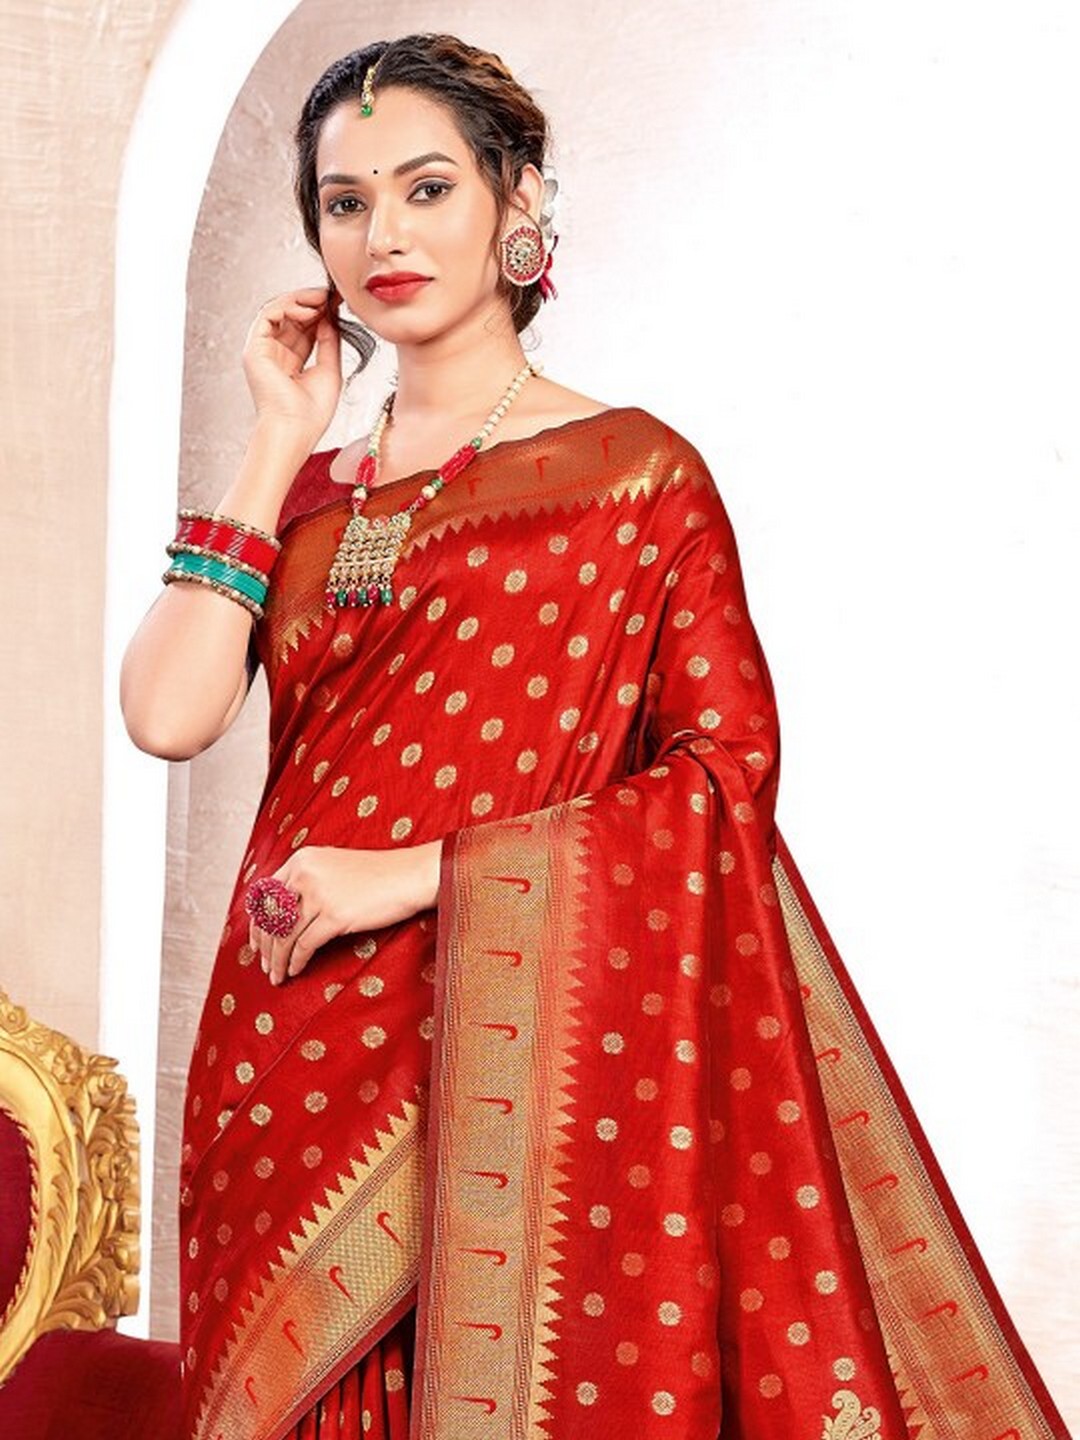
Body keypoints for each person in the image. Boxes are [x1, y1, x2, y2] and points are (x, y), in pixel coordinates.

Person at [120, 32, 1070, 1440]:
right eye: (344, 202)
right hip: (288, 1062)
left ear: (518, 204)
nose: (384, 235)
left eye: (428, 188)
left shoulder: (637, 480)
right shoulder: (307, 493)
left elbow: (725, 778)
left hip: (519, 1056)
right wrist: (274, 441)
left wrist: (416, 874)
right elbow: (166, 713)